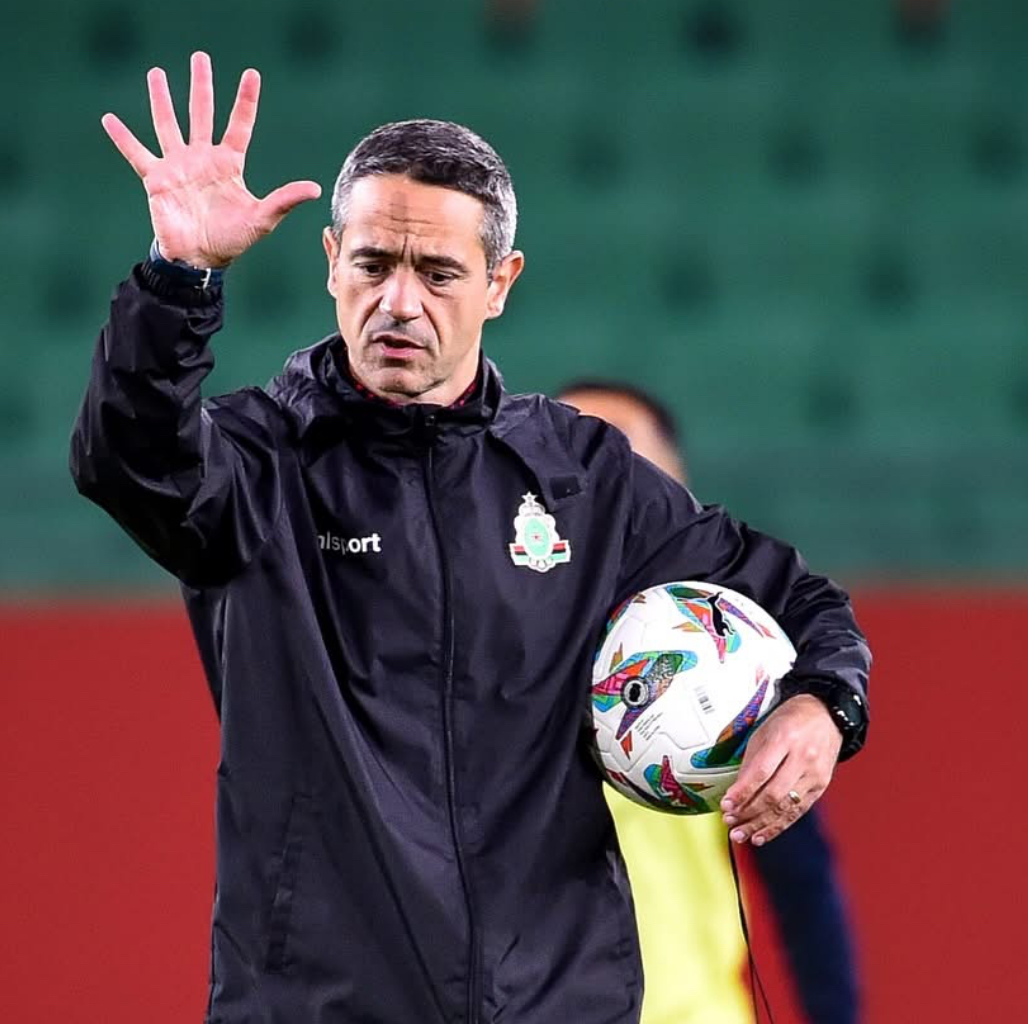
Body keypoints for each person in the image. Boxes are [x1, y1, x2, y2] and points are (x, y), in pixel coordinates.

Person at [73, 52, 871, 1023]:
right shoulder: (259, 464)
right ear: (331, 260)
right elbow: (127, 458)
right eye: (373, 264)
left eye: (438, 272)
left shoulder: (582, 477)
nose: (399, 302)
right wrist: (178, 279)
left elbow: (795, 597)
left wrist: (823, 705)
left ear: (500, 282)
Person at [557, 381, 862, 1024]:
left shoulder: (731, 669)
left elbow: (803, 885)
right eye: (574, 457)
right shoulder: (497, 651)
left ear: (671, 492)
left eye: (624, 463)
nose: (596, 481)